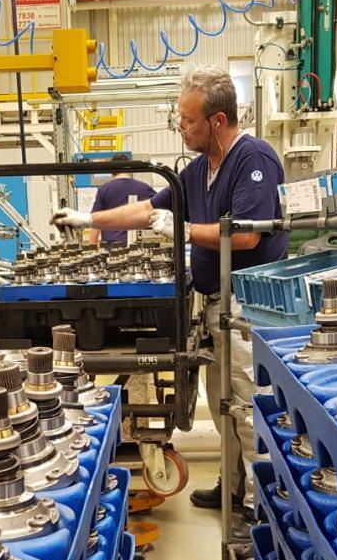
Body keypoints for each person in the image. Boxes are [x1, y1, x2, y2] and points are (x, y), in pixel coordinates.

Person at [51, 65, 289, 519]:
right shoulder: (198, 170)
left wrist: (182, 229)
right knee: (222, 404)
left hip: (249, 304)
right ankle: (233, 487)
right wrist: (89, 220)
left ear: (218, 121)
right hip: (217, 301)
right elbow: (146, 211)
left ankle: (260, 507)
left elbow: (246, 236)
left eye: (188, 120)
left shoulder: (253, 159)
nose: (181, 127)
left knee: (246, 404)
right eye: (179, 118)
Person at [89, 155, 156, 246]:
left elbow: (95, 221)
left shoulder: (104, 189)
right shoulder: (144, 188)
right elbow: (162, 209)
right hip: (138, 247)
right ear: (130, 169)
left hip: (111, 247)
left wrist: (92, 246)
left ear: (111, 171)